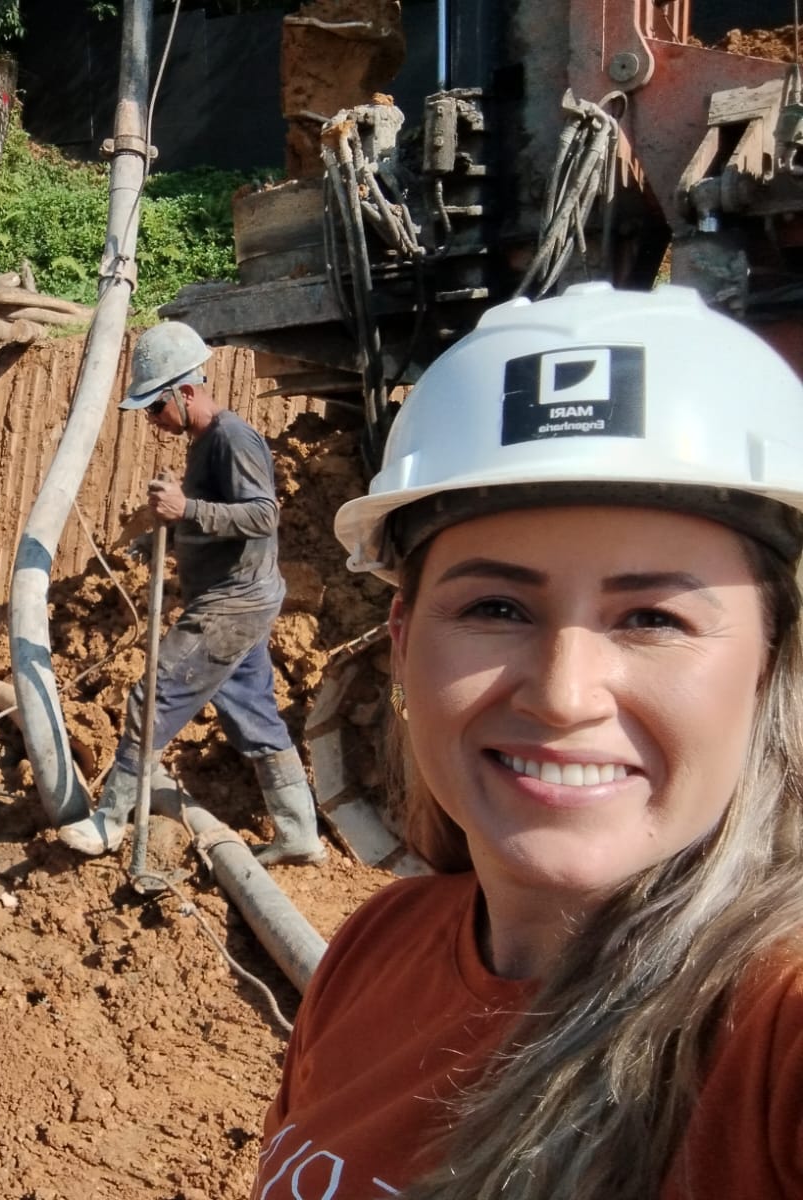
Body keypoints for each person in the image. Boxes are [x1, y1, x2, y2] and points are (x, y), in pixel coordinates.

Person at [257, 282, 803, 1199]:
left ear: (768, 664)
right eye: (496, 607)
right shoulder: (374, 952)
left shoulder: (773, 1035)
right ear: (402, 645)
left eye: (653, 618)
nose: (562, 694)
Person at [59, 321, 325, 866]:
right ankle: (300, 836)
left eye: (156, 409)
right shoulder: (205, 442)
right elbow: (213, 518)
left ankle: (109, 824)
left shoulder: (231, 437)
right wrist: (171, 530)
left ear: (184, 392)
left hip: (232, 605)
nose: (154, 424)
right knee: (253, 716)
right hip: (239, 598)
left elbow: (262, 514)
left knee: (151, 698)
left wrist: (187, 510)